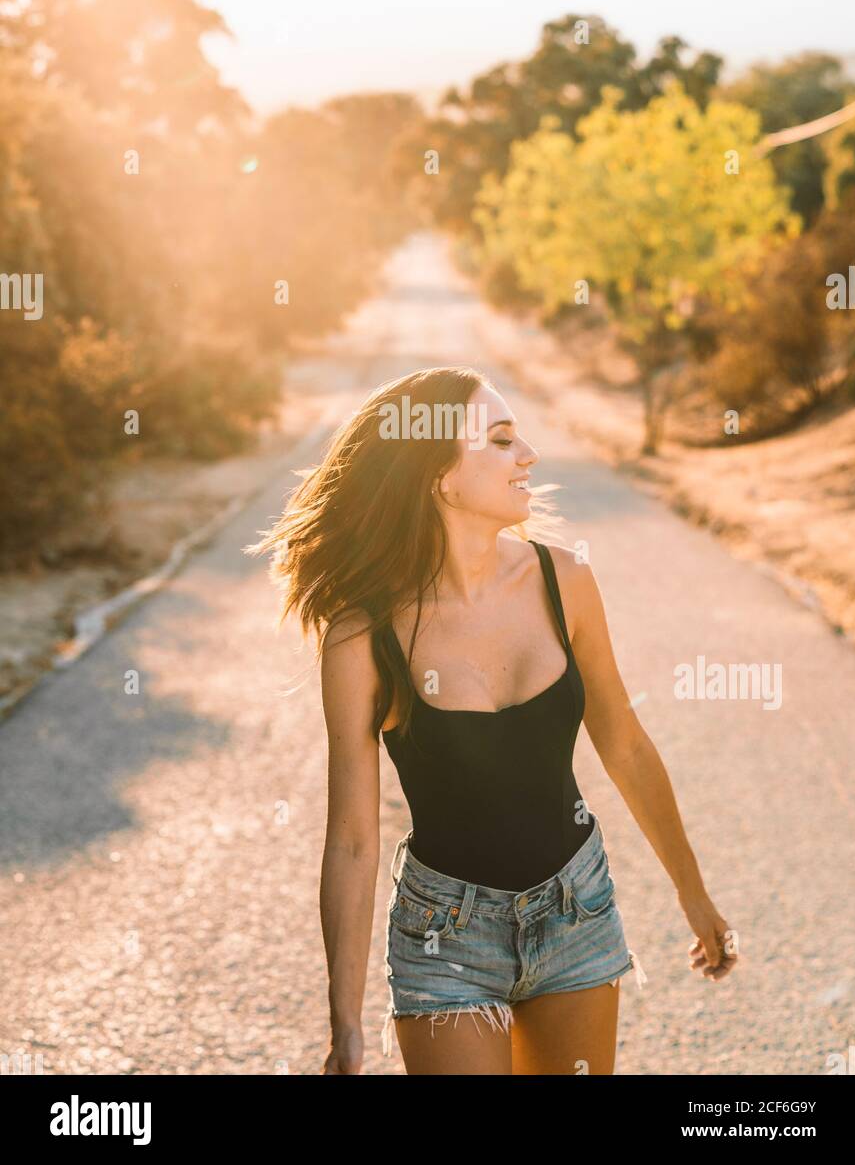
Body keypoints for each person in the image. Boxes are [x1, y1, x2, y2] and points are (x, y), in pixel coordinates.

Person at [247, 365, 737, 1075]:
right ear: (439, 476)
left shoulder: (563, 579)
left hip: (576, 908)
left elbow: (624, 744)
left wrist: (693, 893)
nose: (529, 455)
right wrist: (344, 1025)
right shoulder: (365, 635)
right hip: (446, 938)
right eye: (502, 440)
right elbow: (353, 839)